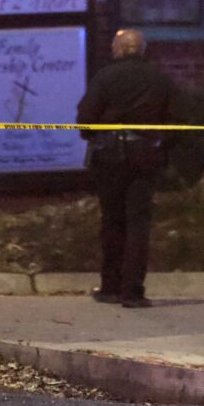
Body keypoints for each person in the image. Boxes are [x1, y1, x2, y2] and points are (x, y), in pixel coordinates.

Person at [76, 28, 174, 309]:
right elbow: (179, 118)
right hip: (145, 156)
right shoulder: (160, 79)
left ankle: (110, 287)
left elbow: (85, 119)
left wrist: (98, 133)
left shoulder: (105, 77)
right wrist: (159, 144)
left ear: (117, 49)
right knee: (139, 222)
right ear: (142, 50)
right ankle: (133, 291)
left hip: (109, 157)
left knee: (112, 220)